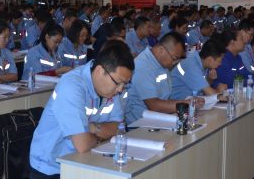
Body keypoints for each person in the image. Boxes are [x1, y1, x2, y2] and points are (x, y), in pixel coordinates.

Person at [28, 41, 134, 179]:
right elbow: (82, 144)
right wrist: (99, 135)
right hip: (51, 167)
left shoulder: (111, 90)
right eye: (118, 83)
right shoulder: (72, 86)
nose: (120, 89)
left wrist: (93, 128)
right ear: (100, 71)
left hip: (84, 159)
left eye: (124, 84)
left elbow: (119, 128)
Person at [125, 32, 204, 124]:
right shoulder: (143, 66)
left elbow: (166, 98)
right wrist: (186, 103)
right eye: (174, 58)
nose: (175, 63)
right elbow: (154, 105)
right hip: (140, 125)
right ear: (161, 50)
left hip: (159, 119)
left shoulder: (161, 63)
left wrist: (187, 104)